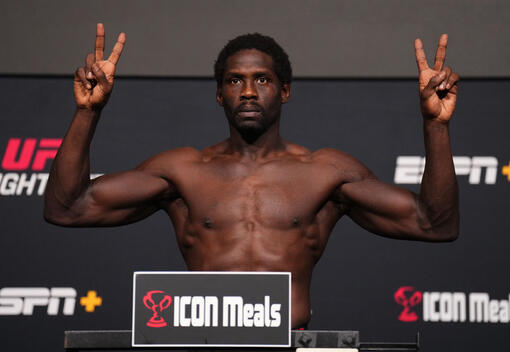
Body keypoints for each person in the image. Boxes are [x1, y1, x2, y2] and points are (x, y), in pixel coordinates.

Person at [44, 24, 459, 331]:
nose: (247, 91)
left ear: (285, 91)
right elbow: (68, 208)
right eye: (234, 81)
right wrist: (88, 112)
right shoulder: (182, 172)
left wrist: (435, 126)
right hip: (207, 351)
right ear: (219, 93)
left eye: (261, 79)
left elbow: (434, 223)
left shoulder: (324, 173)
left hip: (291, 350)